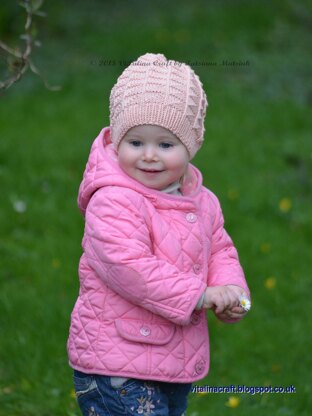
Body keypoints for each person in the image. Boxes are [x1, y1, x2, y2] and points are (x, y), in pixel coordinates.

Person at [67, 53, 251, 416]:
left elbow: (220, 251)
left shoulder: (203, 202)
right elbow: (129, 266)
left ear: (192, 146)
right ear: (117, 140)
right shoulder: (113, 199)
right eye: (135, 142)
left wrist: (233, 293)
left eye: (165, 145)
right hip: (117, 366)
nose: (149, 155)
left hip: (171, 359)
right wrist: (200, 295)